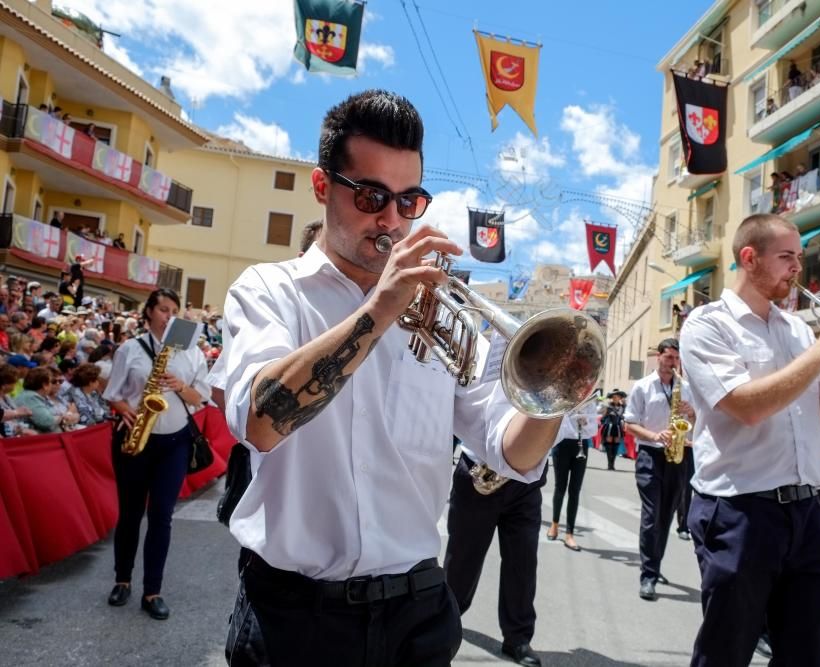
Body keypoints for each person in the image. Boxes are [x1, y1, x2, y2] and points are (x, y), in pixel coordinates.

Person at [218, 90, 561, 667]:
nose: (392, 220)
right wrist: (379, 310)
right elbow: (262, 420)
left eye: (409, 201)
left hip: (416, 612)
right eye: (373, 196)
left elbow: (510, 453)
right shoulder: (269, 291)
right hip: (294, 617)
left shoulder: (439, 311)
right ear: (323, 187)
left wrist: (553, 391)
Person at [679, 213, 820, 666]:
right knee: (725, 651)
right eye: (786, 257)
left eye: (799, 258)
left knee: (807, 653)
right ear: (750, 258)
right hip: (741, 512)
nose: (797, 268)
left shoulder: (798, 330)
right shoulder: (708, 325)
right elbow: (746, 407)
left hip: (809, 511)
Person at [103, 288, 209, 620]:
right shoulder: (130, 349)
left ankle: (153, 591)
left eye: (173, 309)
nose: (168, 315)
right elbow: (113, 394)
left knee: (162, 517)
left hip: (174, 444)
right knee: (131, 514)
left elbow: (199, 399)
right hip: (135, 440)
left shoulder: (192, 354)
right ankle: (122, 579)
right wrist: (125, 410)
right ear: (149, 312)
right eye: (163, 308)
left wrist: (180, 386)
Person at [445, 441, 549, 666]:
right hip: (481, 469)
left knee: (523, 562)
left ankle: (517, 637)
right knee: (462, 562)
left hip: (527, 480)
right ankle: (441, 627)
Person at [624, 337, 695, 601]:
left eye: (676, 358)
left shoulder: (685, 388)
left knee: (666, 516)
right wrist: (654, 436)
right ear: (658, 357)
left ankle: (655, 564)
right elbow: (629, 424)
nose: (672, 362)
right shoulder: (642, 387)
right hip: (650, 455)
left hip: (677, 456)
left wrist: (692, 413)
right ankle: (648, 575)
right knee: (652, 515)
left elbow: (697, 420)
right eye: (668, 357)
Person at [547, 397, 598, 551]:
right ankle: (554, 524)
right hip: (562, 444)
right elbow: (556, 423)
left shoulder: (589, 403)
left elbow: (593, 430)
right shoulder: (563, 398)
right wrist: (572, 416)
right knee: (560, 487)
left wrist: (585, 422)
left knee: (575, 490)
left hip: (580, 445)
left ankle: (569, 533)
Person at [599, 389, 627, 470]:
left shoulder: (623, 407)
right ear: (612, 398)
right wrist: (605, 417)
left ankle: (613, 463)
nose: (616, 398)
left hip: (618, 427)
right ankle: (609, 464)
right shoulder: (608, 407)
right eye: (614, 397)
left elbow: (625, 417)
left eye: (618, 397)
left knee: (616, 445)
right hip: (609, 426)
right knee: (609, 444)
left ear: (620, 398)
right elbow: (603, 418)